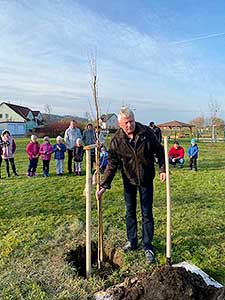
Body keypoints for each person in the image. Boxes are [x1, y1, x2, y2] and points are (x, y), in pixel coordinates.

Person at [96, 107, 166, 264]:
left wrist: (163, 169)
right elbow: (112, 164)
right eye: (126, 122)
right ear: (120, 124)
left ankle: (147, 245)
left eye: (131, 121)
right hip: (129, 180)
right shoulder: (116, 141)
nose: (130, 125)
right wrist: (104, 185)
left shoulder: (146, 133)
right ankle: (132, 241)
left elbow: (159, 151)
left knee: (147, 212)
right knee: (130, 211)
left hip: (146, 179)